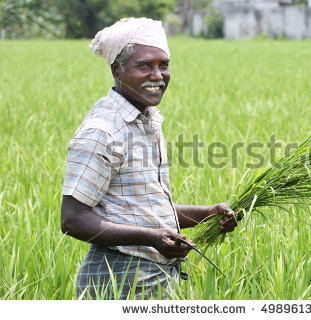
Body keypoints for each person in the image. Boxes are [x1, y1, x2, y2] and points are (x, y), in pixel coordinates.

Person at [60, 17, 238, 300]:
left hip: (154, 279)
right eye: (145, 65)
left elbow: (143, 209)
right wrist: (151, 238)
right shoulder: (103, 131)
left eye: (163, 65)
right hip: (118, 279)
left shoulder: (145, 121)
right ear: (117, 69)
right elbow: (72, 219)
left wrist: (206, 214)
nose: (157, 75)